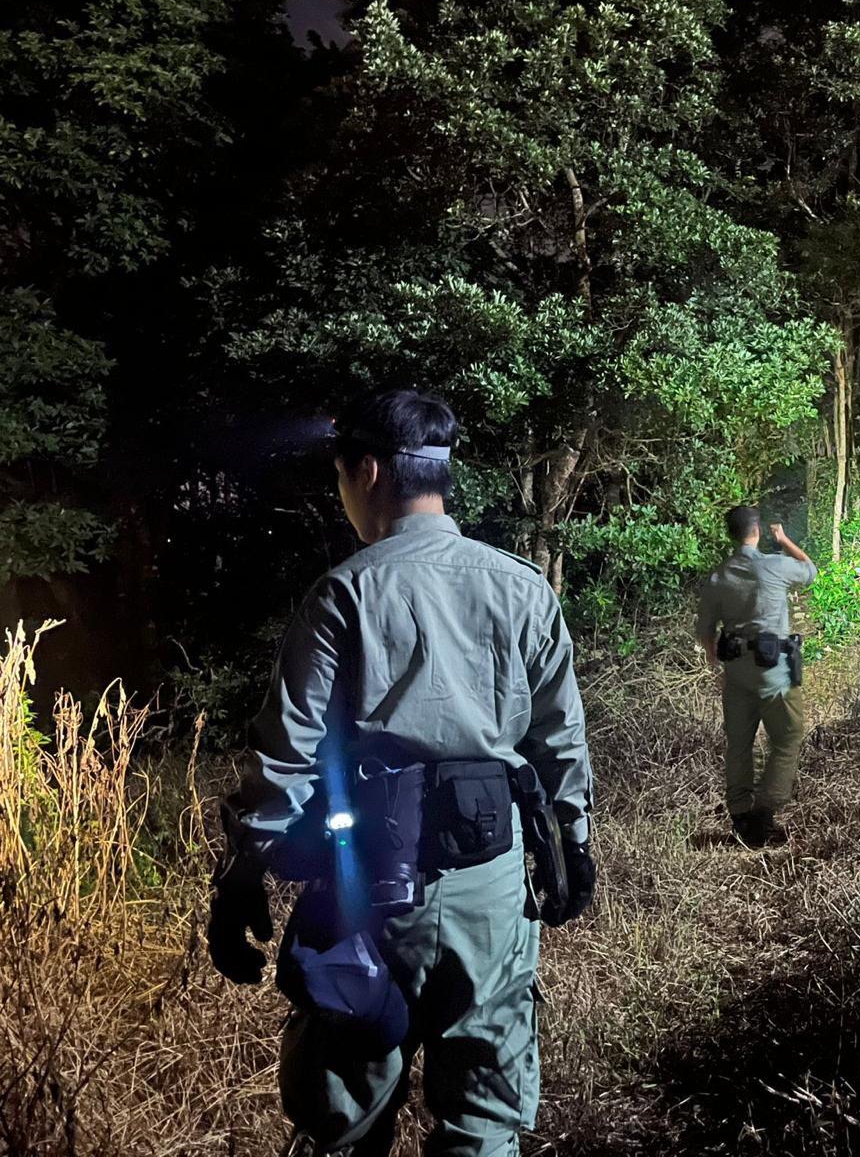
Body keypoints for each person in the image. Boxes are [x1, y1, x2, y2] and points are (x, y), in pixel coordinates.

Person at [205, 388, 595, 1157]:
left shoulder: (343, 594)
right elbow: (560, 740)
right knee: (484, 1120)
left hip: (369, 894)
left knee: (345, 1119)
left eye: (342, 477)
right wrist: (574, 847)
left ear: (370, 472)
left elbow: (285, 754)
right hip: (493, 882)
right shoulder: (523, 587)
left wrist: (242, 877)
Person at [696, 506, 817, 847]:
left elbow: (706, 632)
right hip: (775, 674)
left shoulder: (718, 577)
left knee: (739, 746)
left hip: (736, 675)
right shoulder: (773, 565)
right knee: (788, 738)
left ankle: (740, 814)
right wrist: (784, 540)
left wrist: (716, 667)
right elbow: (810, 571)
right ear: (758, 531)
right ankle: (764, 814)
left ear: (730, 534)